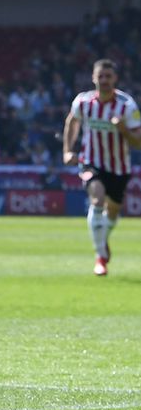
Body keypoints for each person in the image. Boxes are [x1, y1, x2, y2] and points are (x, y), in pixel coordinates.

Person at [63, 59, 141, 277]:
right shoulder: (83, 102)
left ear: (115, 79)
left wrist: (123, 129)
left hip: (119, 167)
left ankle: (103, 240)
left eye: (108, 76)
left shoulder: (127, 105)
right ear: (93, 78)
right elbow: (72, 122)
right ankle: (100, 257)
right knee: (96, 198)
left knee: (113, 212)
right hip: (91, 161)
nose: (104, 80)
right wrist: (68, 151)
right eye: (101, 76)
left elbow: (138, 142)